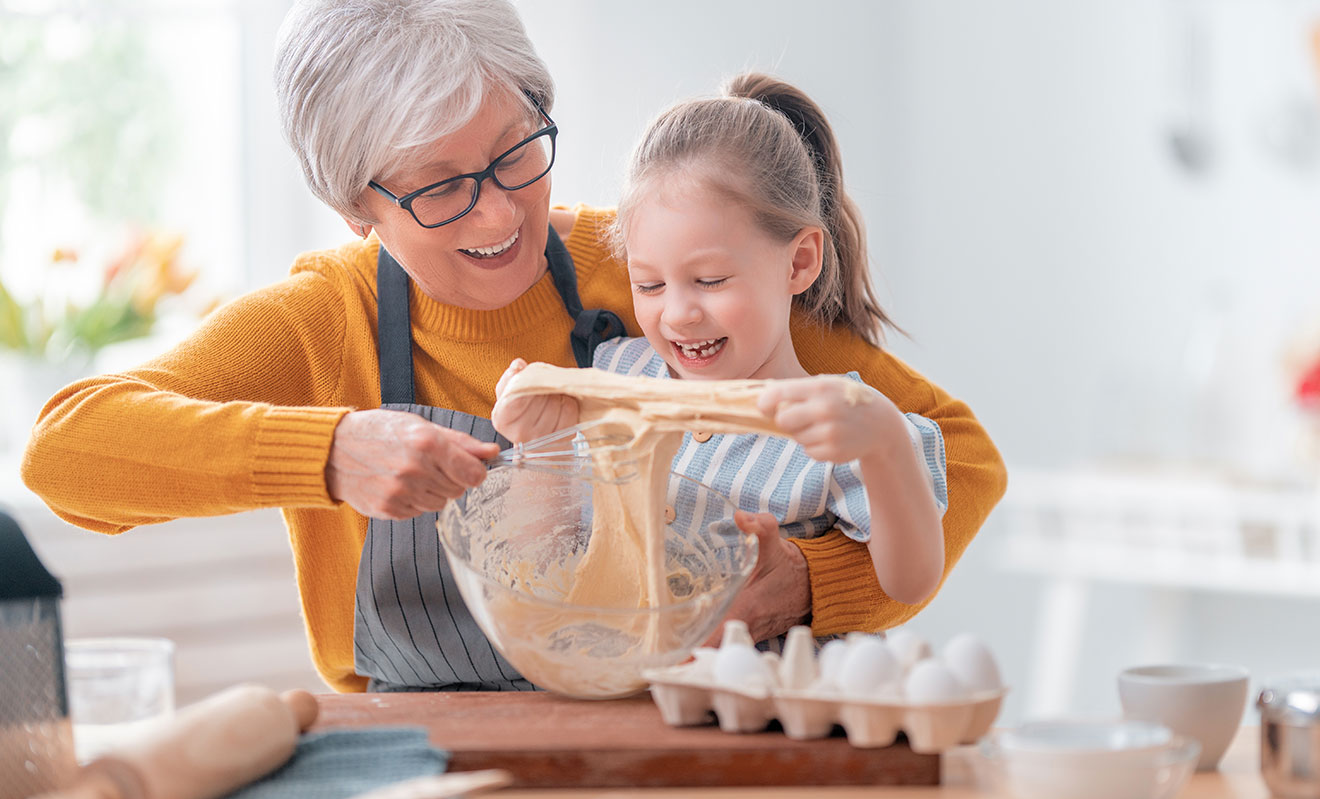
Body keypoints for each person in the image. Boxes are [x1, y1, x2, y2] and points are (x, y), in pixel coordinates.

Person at [20, 0, 1006, 693]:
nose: (499, 212)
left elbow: (952, 453)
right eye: (439, 185)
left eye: (513, 152)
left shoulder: (655, 269)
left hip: (675, 720)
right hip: (419, 750)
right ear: (356, 205)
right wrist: (326, 452)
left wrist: (807, 584)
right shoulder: (324, 320)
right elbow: (64, 451)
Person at [494, 73, 948, 608]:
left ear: (799, 261)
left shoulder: (842, 427)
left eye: (710, 281)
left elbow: (910, 583)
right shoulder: (610, 377)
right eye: (650, 285)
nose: (679, 314)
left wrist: (886, 445)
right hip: (609, 685)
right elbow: (534, 572)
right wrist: (535, 449)